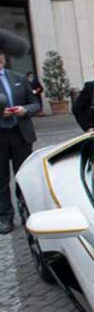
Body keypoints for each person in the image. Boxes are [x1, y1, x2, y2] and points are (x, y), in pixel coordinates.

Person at [0, 50, 40, 234]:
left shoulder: (18, 78)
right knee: (1, 180)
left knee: (23, 176)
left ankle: (28, 212)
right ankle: (5, 218)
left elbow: (35, 103)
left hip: (20, 134)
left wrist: (25, 109)